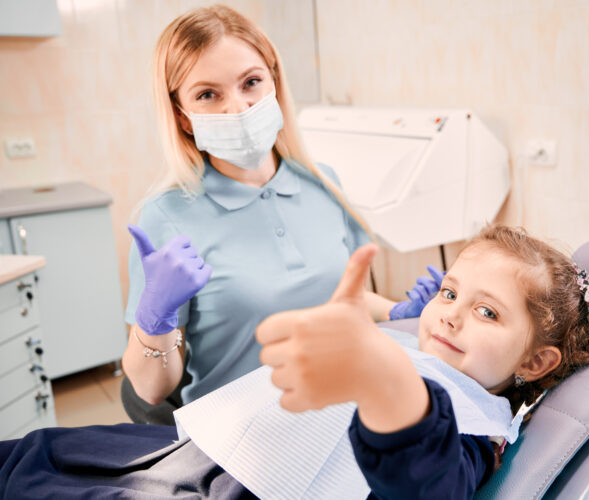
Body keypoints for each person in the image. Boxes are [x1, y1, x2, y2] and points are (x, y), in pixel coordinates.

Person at [0, 225, 589, 499]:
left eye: (488, 313)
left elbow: (427, 485)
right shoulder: (423, 342)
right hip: (196, 452)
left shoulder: (479, 424)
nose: (451, 314)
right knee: (35, 449)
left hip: (231, 489)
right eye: (452, 293)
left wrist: (386, 382)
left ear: (537, 362)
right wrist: (399, 323)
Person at [120, 5, 441, 423]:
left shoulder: (323, 183)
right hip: (242, 431)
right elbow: (150, 390)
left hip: (339, 408)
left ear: (274, 82)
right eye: (207, 94)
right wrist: (154, 320)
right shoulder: (166, 216)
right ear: (182, 116)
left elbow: (343, 295)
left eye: (251, 82)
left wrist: (397, 312)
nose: (237, 107)